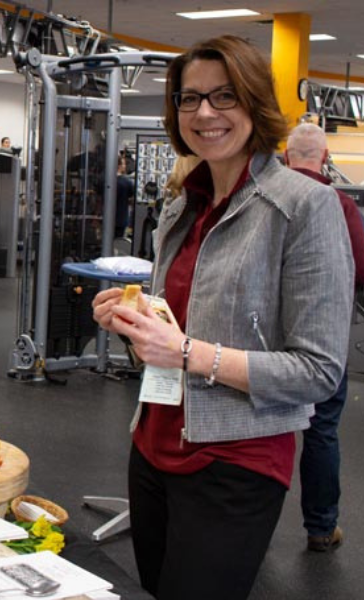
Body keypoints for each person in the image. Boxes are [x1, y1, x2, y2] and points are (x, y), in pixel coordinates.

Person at [92, 35, 353, 600]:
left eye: (223, 96)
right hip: (154, 444)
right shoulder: (186, 202)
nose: (204, 113)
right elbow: (175, 325)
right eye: (189, 99)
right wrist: (134, 320)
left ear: (255, 104)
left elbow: (318, 370)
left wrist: (186, 353)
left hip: (236, 461)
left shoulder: (307, 207)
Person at [284, 122, 364, 552]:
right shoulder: (340, 206)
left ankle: (246, 530)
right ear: (326, 155)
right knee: (321, 431)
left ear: (285, 156)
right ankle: (320, 527)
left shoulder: (264, 197)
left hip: (265, 341)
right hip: (321, 342)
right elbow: (361, 269)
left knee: (259, 433)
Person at [115, 155, 134, 237]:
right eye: (123, 164)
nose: (125, 166)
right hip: (121, 219)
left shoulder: (106, 180)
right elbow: (131, 197)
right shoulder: (126, 182)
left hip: (107, 218)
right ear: (119, 166)